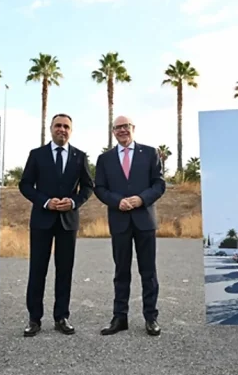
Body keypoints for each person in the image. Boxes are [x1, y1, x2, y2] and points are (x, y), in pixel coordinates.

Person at [18, 113, 94, 337]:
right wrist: (45, 201)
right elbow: (25, 185)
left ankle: (62, 316)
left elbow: (88, 187)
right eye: (58, 126)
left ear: (71, 130)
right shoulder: (37, 155)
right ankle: (34, 319)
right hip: (42, 220)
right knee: (37, 270)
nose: (62, 129)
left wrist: (73, 202)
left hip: (68, 222)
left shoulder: (80, 156)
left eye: (66, 127)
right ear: (50, 128)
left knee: (64, 270)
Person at [93, 115, 166, 336]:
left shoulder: (150, 153)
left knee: (148, 272)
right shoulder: (104, 159)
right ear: (113, 131)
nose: (122, 130)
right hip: (120, 220)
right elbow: (100, 188)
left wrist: (142, 199)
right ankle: (120, 317)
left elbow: (159, 183)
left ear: (133, 128)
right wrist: (117, 201)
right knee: (121, 271)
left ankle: (151, 318)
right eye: (118, 128)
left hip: (144, 220)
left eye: (126, 126)